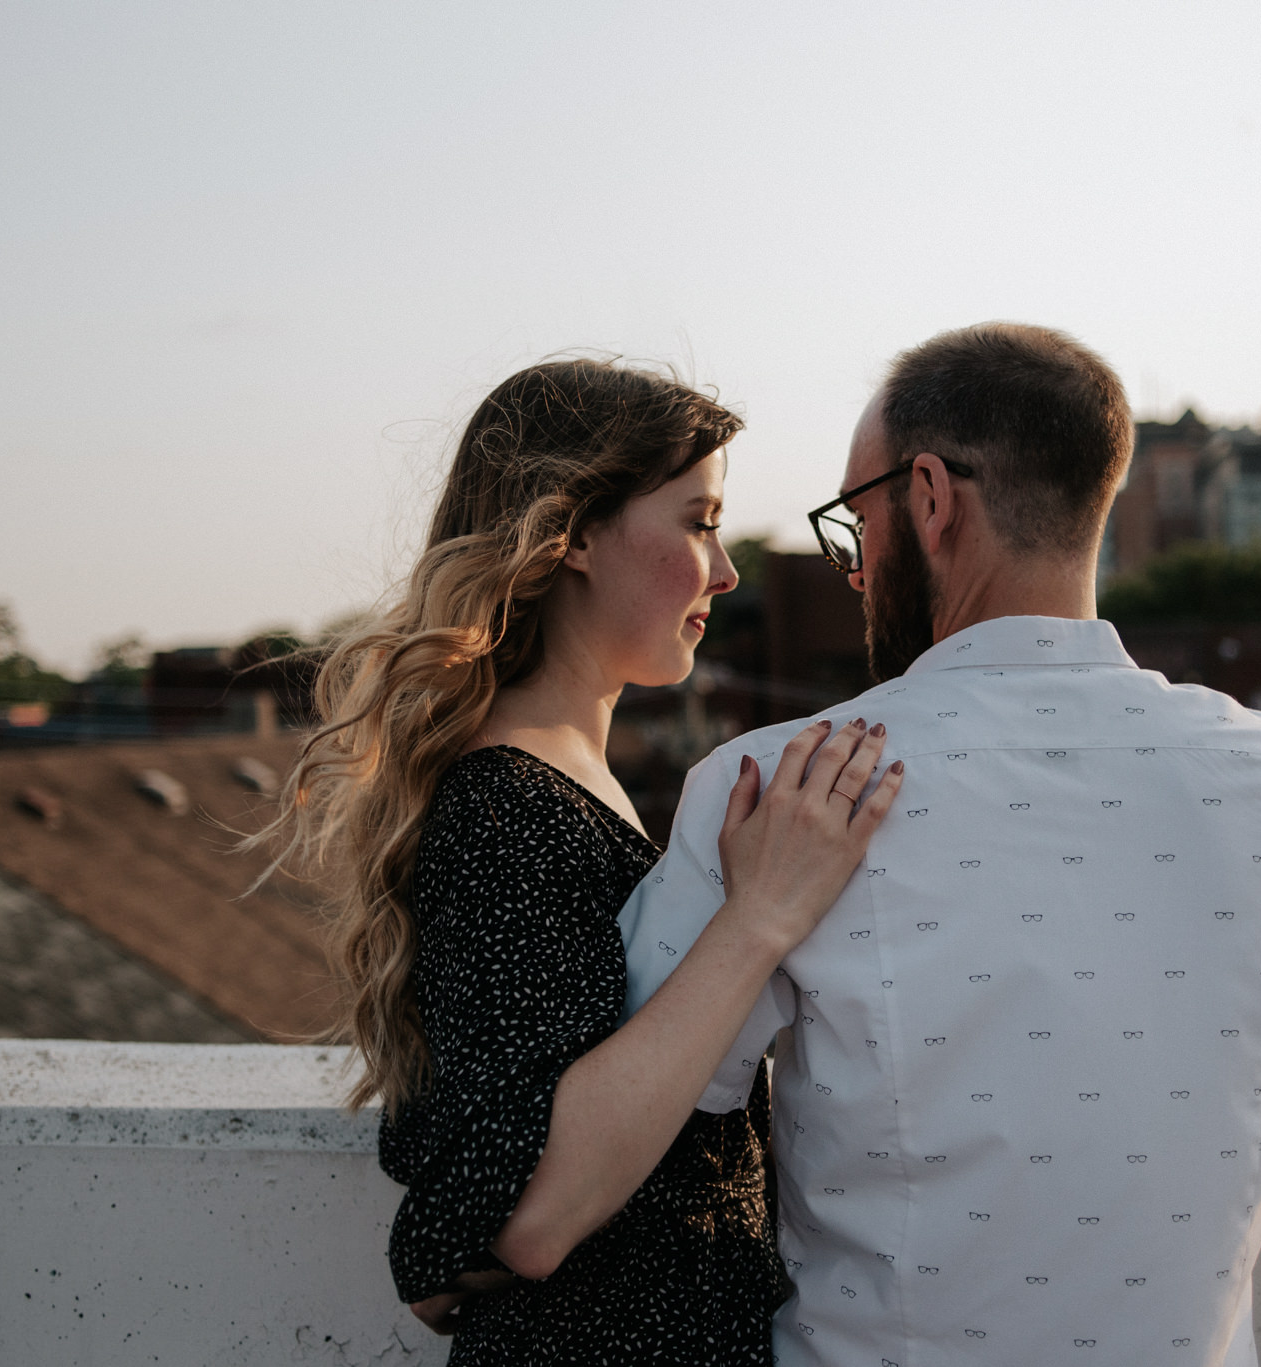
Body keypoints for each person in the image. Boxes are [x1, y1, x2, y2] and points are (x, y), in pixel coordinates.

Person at [619, 323, 1261, 1366]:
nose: (854, 569)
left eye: (855, 522)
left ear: (929, 497)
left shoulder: (776, 786)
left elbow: (637, 1113)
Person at [259, 358, 906, 1365]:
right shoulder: (505, 807)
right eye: (698, 522)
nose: (726, 572)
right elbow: (530, 1211)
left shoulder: (556, 786)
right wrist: (759, 917)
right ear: (570, 536)